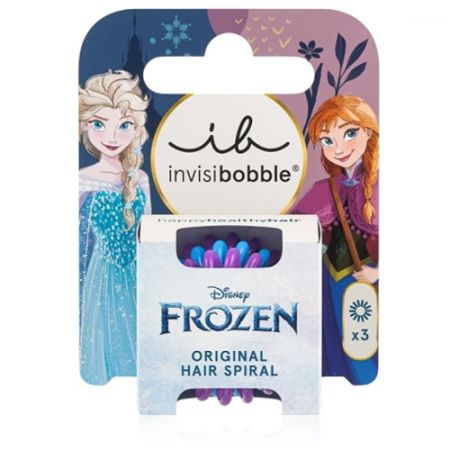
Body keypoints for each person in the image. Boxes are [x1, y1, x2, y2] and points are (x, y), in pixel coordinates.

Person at [292, 95, 378, 384]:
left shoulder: (382, 186)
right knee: (332, 339)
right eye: (328, 140)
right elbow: (297, 227)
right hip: (329, 282)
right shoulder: (325, 187)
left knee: (365, 344)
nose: (339, 148)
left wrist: (378, 272)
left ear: (368, 131)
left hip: (367, 282)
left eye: (349, 133)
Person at [78, 70, 151, 384]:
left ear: (135, 129)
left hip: (139, 273)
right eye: (99, 124)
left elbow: (150, 235)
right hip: (102, 275)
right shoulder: (82, 180)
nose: (111, 137)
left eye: (123, 126)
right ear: (85, 125)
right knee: (104, 333)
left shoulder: (140, 179)